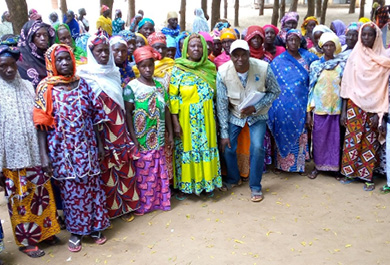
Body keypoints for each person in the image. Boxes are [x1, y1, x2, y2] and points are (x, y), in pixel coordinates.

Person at [34, 44, 109, 252]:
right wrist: (44, 155)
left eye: (68, 58)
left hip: (88, 148)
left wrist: (100, 144)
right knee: (71, 192)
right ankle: (76, 232)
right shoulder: (45, 88)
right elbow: (41, 124)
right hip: (62, 151)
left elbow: (95, 117)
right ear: (52, 63)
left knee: (93, 188)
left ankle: (96, 228)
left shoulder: (82, 84)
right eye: (60, 60)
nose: (65, 63)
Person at [0, 44, 60, 258]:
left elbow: (39, 118)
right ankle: (27, 241)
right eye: (2, 66)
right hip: (12, 159)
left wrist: (45, 151)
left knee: (42, 194)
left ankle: (47, 232)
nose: (8, 70)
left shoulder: (27, 86)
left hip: (35, 151)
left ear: (16, 64)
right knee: (21, 200)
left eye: (11, 65)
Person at [78, 33, 140, 222]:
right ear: (91, 52)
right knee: (107, 169)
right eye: (99, 51)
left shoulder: (114, 72)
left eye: (106, 51)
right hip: (101, 129)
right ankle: (112, 209)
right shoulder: (84, 75)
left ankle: (130, 204)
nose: (104, 55)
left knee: (125, 164)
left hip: (119, 125)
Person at [217, 40, 280, 202]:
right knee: (228, 146)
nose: (240, 59)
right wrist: (224, 132)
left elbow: (275, 91)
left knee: (258, 147)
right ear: (230, 56)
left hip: (257, 115)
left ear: (249, 54)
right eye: (235, 55)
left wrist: (256, 107)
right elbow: (222, 104)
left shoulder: (263, 68)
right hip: (234, 114)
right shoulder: (223, 72)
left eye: (243, 54)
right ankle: (233, 178)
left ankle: (255, 186)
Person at [169, 33, 222, 199]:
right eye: (192, 46)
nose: (196, 49)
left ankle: (207, 184)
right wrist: (176, 123)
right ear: (185, 49)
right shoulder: (178, 69)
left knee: (206, 149)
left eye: (200, 46)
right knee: (188, 151)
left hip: (206, 117)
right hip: (186, 119)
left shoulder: (210, 68)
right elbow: (172, 98)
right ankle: (188, 187)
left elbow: (217, 96)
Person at [339, 22, 390, 191]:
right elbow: (346, 85)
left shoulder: (384, 60)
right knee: (352, 140)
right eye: (364, 34)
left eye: (370, 35)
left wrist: (380, 113)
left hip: (375, 107)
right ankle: (349, 173)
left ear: (376, 37)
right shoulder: (355, 56)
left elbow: (384, 89)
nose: (366, 38)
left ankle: (367, 176)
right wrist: (344, 111)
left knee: (370, 141)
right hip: (354, 104)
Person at [123, 46, 173, 215]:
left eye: (150, 65)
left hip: (158, 137)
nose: (147, 69)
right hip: (142, 137)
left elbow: (166, 110)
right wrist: (134, 138)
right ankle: (145, 204)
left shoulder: (159, 86)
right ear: (137, 66)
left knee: (159, 170)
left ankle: (160, 201)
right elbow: (128, 114)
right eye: (143, 66)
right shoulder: (131, 88)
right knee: (144, 172)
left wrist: (170, 134)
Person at [268, 29, 318, 174]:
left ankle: (298, 166)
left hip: (301, 105)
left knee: (300, 136)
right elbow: (272, 82)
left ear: (300, 41)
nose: (293, 42)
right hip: (282, 107)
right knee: (282, 133)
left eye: (296, 39)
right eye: (290, 40)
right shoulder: (278, 61)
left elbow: (318, 69)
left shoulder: (308, 58)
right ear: (286, 42)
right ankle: (282, 165)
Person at [306, 32, 345, 179]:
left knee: (335, 140)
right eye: (325, 45)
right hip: (319, 109)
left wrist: (344, 112)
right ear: (321, 48)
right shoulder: (316, 66)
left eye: (331, 45)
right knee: (319, 139)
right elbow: (311, 89)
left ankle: (334, 168)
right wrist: (309, 112)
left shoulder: (341, 66)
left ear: (335, 47)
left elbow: (345, 89)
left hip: (335, 108)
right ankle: (318, 166)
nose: (328, 48)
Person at [17, 20, 55, 88]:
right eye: (38, 35)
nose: (43, 38)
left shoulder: (51, 55)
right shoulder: (21, 61)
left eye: (45, 35)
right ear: (30, 38)